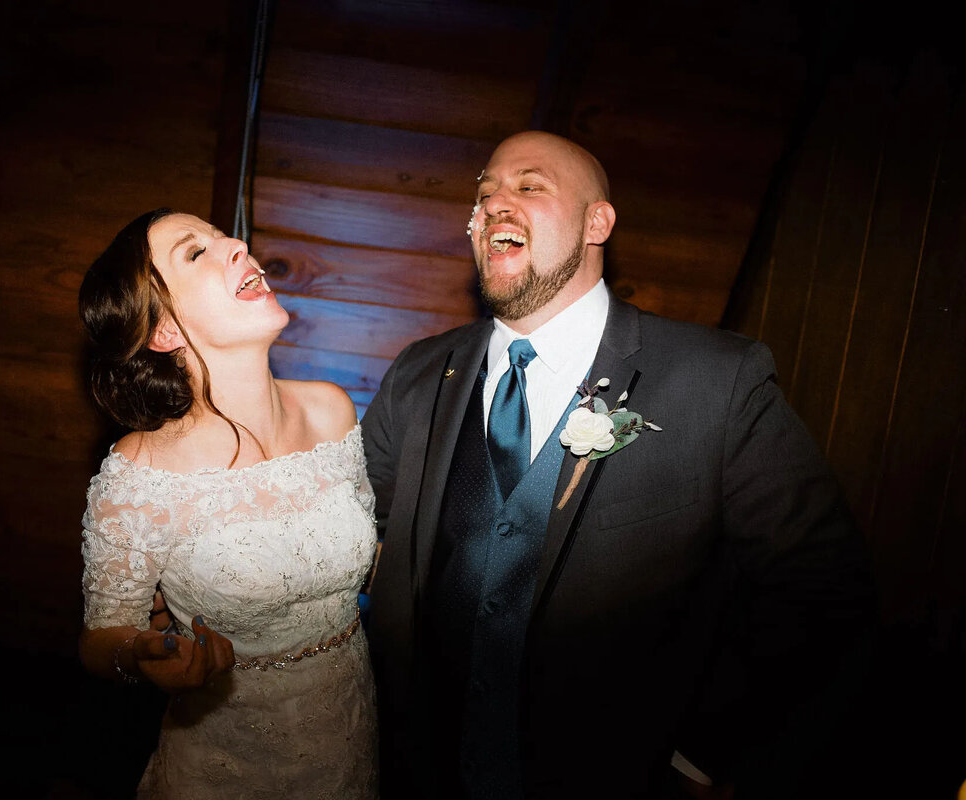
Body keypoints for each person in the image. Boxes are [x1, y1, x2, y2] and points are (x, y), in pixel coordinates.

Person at [361, 131, 875, 799]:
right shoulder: (419, 371)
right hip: (423, 772)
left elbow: (821, 586)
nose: (493, 204)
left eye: (529, 186)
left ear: (597, 222)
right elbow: (353, 534)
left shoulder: (717, 380)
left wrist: (702, 754)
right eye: (484, 194)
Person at [76, 209, 379, 798]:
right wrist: (143, 655)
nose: (237, 244)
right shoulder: (140, 475)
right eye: (196, 252)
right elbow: (101, 637)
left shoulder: (332, 410)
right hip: (226, 756)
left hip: (350, 727)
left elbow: (368, 555)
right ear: (164, 330)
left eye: (224, 237)